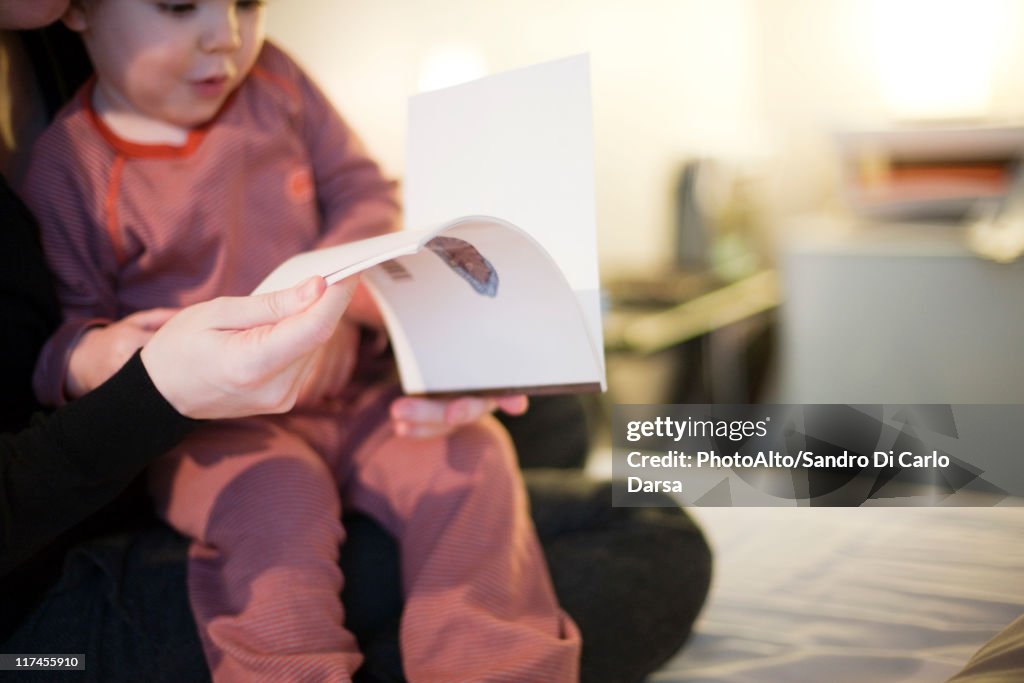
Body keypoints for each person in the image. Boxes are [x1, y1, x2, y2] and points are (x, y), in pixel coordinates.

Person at [2, 3, 715, 682]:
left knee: (475, 454)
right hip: (221, 434)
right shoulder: (71, 166)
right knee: (277, 509)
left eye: (248, 2)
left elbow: (364, 192)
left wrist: (340, 298)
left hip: (349, 390)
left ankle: (495, 663)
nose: (224, 35)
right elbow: (69, 332)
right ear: (83, 11)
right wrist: (97, 354)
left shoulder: (275, 79)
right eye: (180, 5)